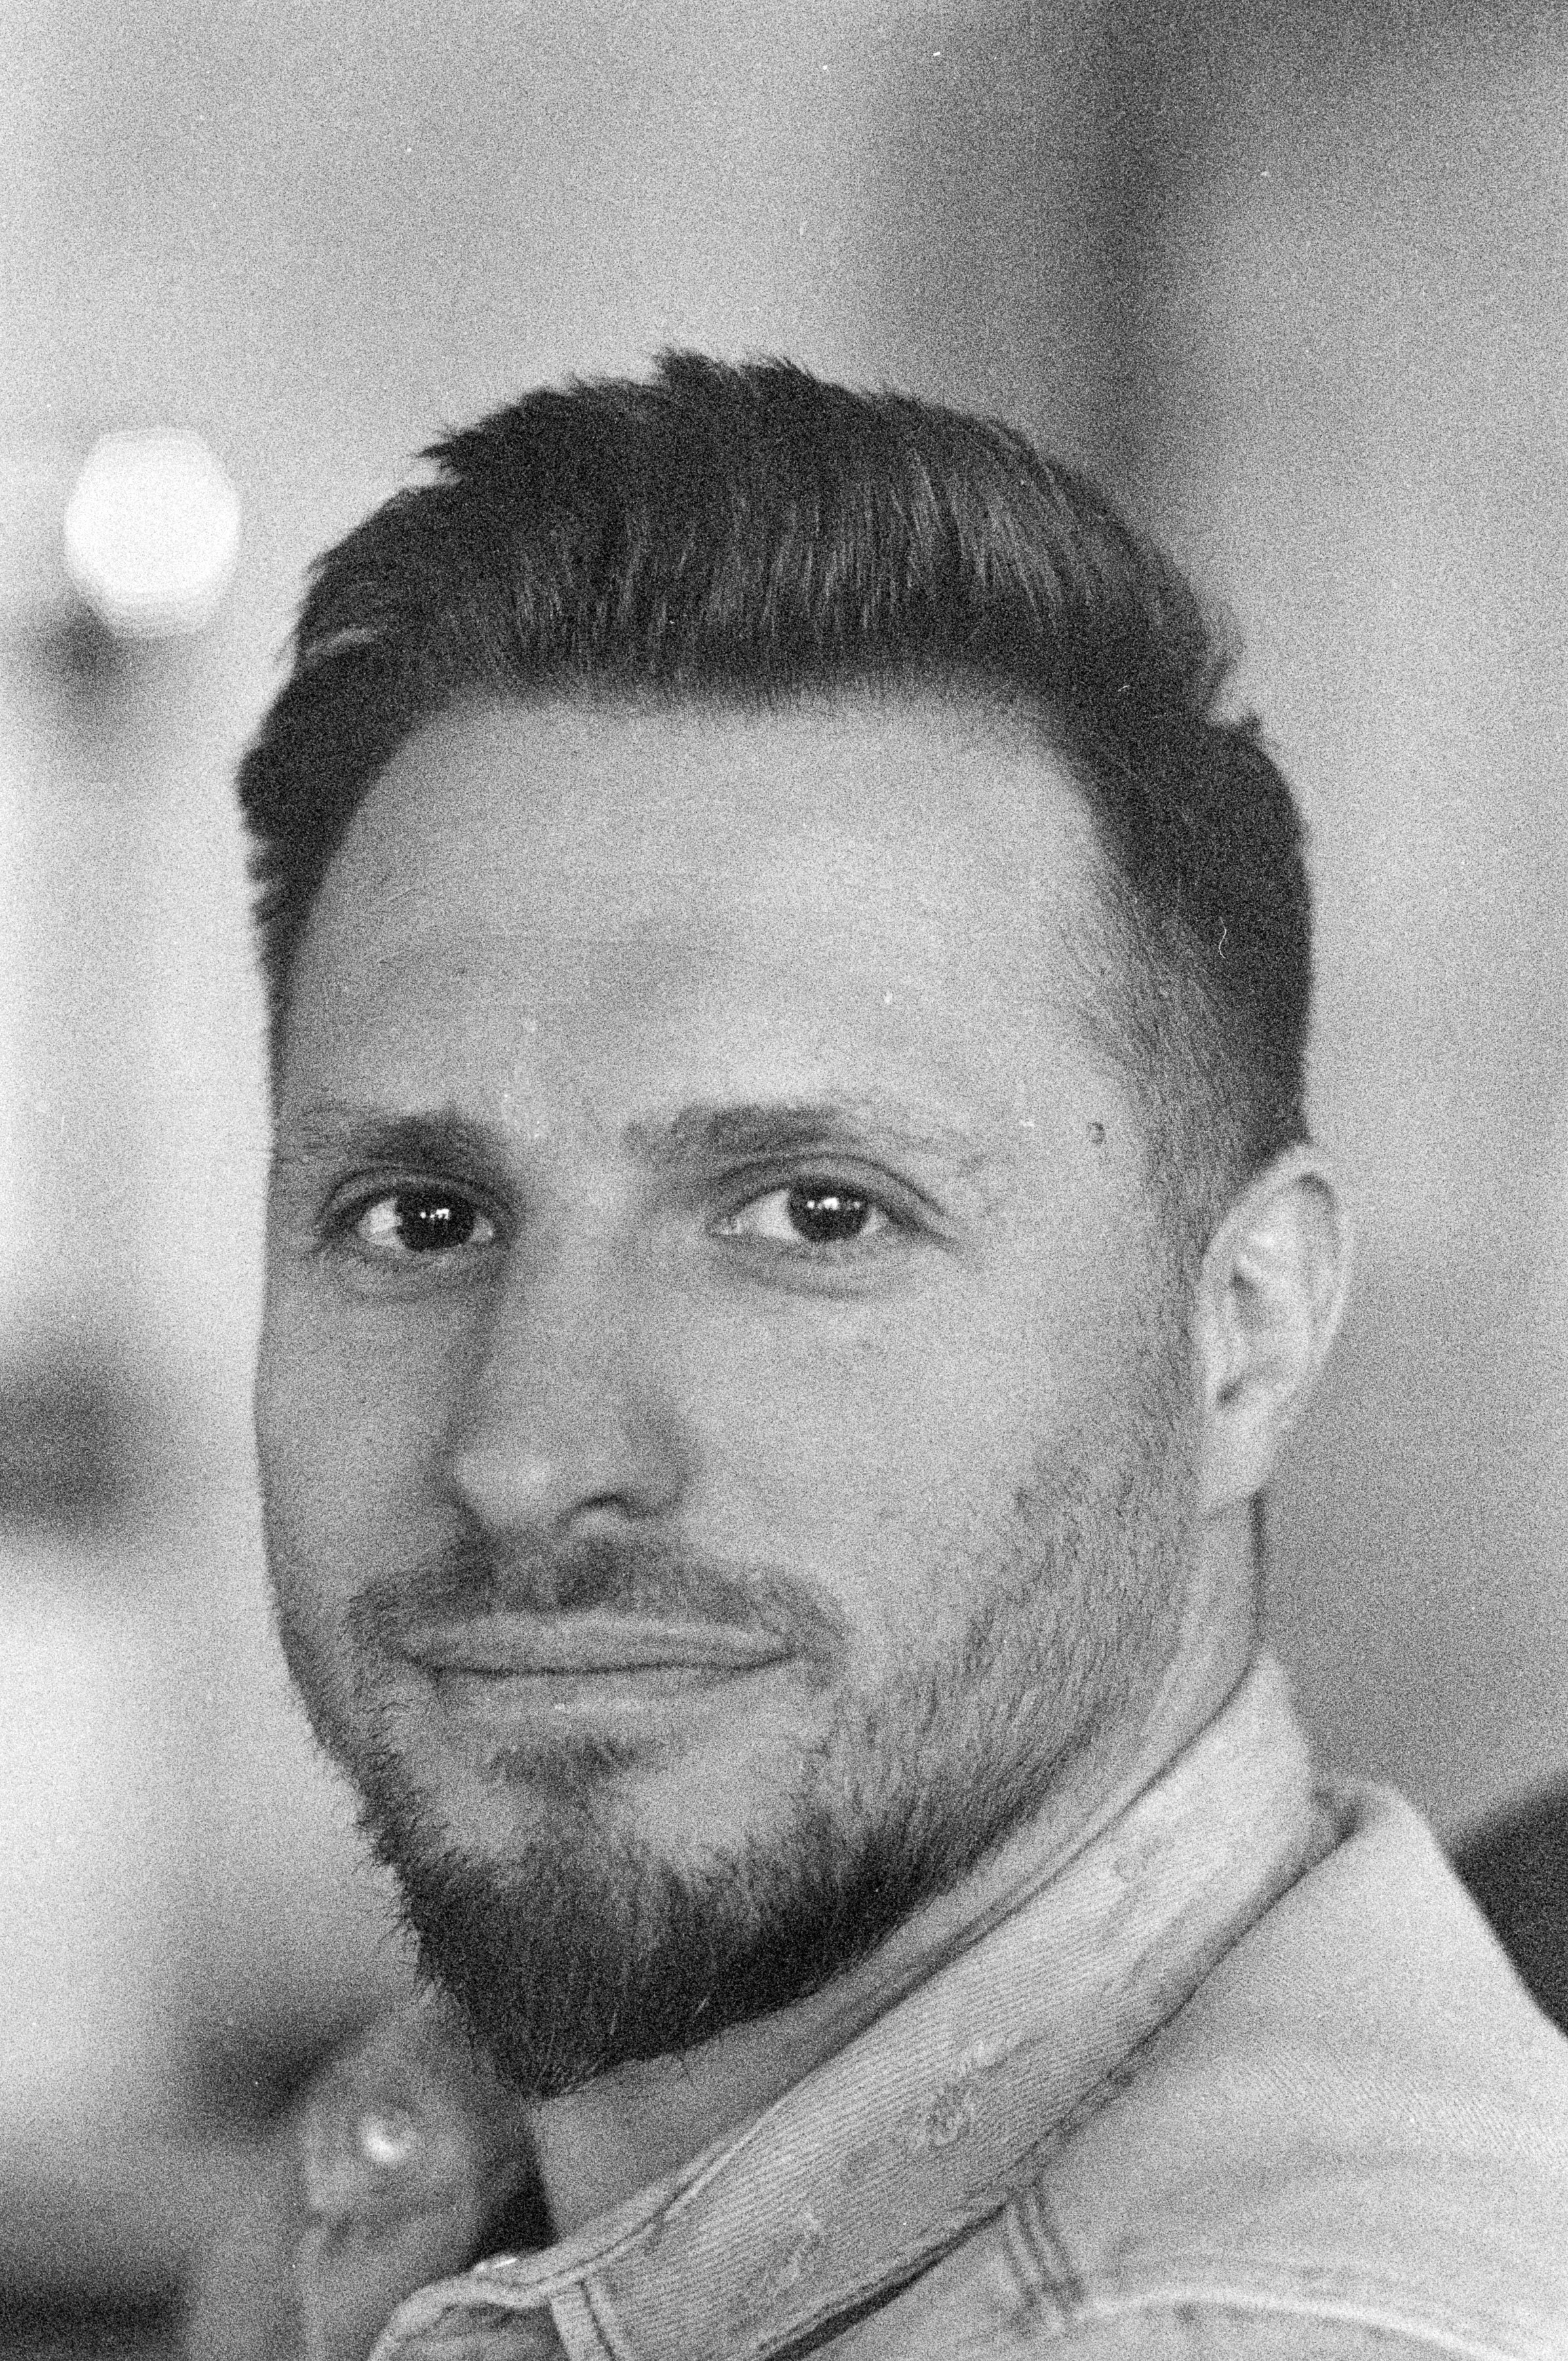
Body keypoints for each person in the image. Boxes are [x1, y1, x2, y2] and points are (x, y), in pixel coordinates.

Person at [189, 356, 1568, 2360]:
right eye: (421, 1219)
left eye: (816, 1216)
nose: (531, 1452)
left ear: (1244, 1333)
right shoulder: (412, 2192)